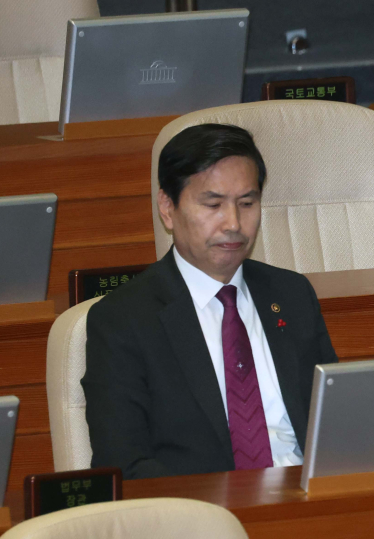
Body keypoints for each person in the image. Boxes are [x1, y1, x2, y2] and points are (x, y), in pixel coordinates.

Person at [83, 123, 338, 479]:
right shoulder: (123, 320)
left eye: (247, 203)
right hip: (203, 515)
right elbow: (124, 464)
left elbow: (335, 425)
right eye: (213, 204)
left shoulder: (291, 295)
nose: (233, 223)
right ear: (168, 208)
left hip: (307, 498)